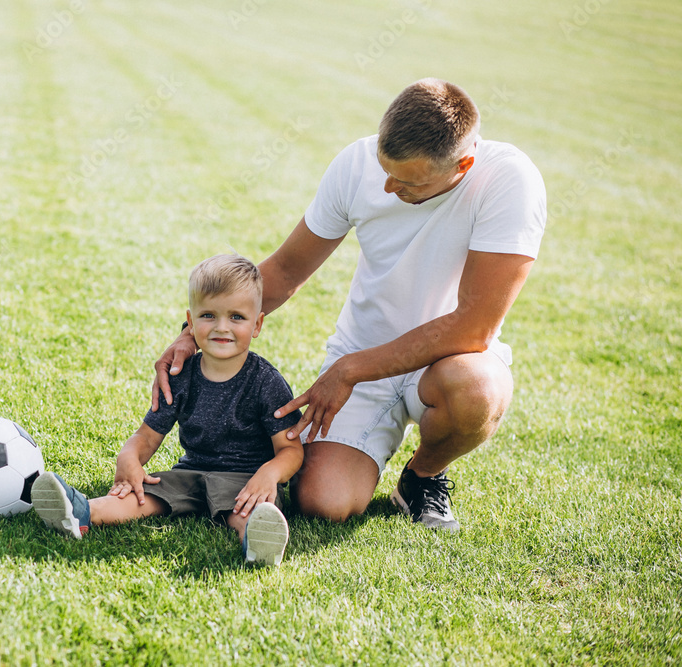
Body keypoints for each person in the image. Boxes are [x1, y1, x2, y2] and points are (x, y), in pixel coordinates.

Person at [152, 78, 547, 531]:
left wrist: (348, 370)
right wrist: (188, 336)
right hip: (362, 350)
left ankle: (422, 478)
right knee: (324, 502)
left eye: (408, 181)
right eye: (385, 168)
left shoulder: (511, 181)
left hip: (448, 360)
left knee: (478, 390)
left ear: (464, 165)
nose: (388, 185)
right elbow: (283, 272)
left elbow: (473, 327)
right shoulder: (357, 164)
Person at [33, 254, 304, 565]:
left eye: (236, 318)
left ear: (257, 324)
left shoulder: (266, 382)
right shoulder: (181, 375)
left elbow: (291, 450)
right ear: (190, 322)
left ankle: (258, 543)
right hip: (189, 473)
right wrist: (129, 458)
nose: (221, 328)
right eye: (208, 316)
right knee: (142, 494)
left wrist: (268, 475)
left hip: (247, 481)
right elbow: (147, 436)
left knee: (247, 511)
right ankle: (81, 512)